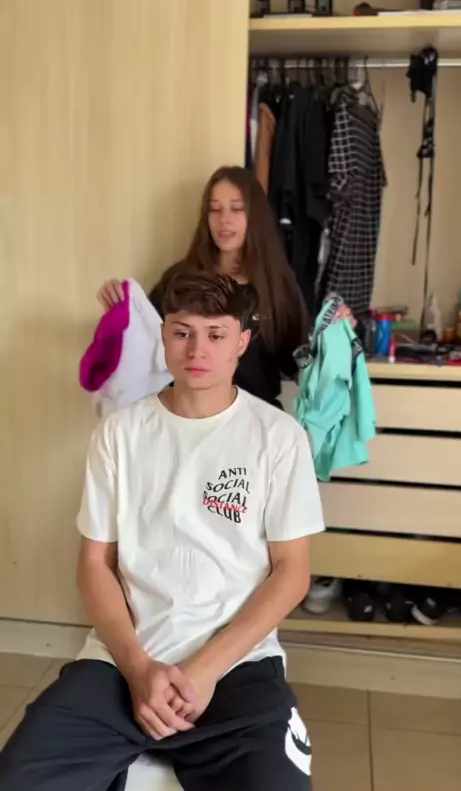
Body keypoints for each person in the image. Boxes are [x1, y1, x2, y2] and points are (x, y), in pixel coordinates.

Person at [0, 269, 325, 791]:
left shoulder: (279, 437)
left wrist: (205, 670)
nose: (197, 349)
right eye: (182, 332)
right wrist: (137, 669)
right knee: (18, 776)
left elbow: (292, 573)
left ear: (241, 342)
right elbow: (94, 566)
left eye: (215, 334)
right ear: (163, 336)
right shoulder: (119, 434)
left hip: (237, 665)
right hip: (123, 659)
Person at [98, 166, 310, 408]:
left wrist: (334, 341)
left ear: (255, 216)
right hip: (187, 418)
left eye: (236, 209)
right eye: (215, 209)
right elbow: (146, 343)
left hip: (257, 420)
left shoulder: (277, 285)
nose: (224, 219)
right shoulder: (180, 279)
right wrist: (121, 307)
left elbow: (299, 364)